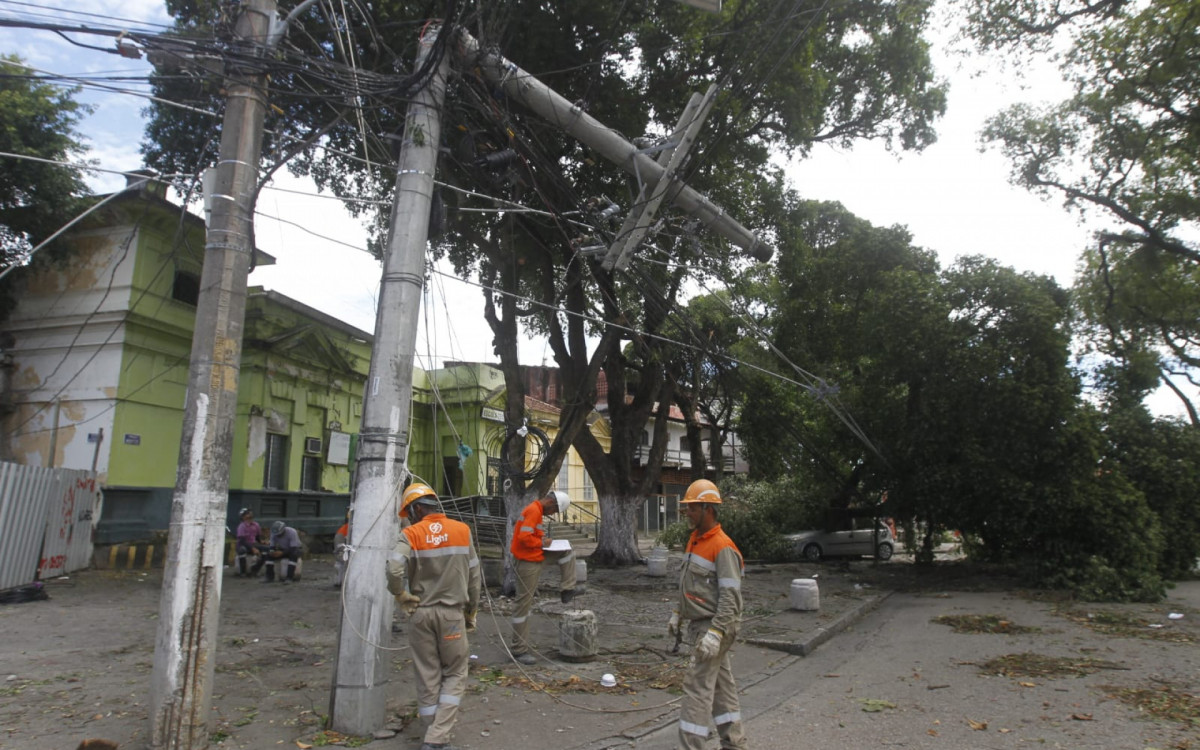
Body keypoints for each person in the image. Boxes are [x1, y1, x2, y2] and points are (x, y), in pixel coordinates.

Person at [386, 482, 481, 750]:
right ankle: (437, 737)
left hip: (420, 613)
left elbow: (393, 570)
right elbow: (474, 576)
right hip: (452, 615)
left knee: (427, 674)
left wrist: (400, 595)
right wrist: (471, 611)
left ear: (416, 509)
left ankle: (433, 733)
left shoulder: (411, 533)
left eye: (409, 512)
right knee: (455, 672)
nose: (410, 517)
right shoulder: (462, 531)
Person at [667, 479, 747, 750]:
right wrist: (678, 612)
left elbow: (730, 598)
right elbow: (689, 584)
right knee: (721, 687)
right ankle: (734, 743)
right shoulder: (695, 540)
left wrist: (716, 633)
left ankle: (692, 745)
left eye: (691, 507)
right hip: (703, 625)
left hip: (713, 626)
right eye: (687, 507)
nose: (686, 512)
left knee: (697, 688)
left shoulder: (723, 547)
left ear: (707, 509)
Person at [508, 490, 577, 665]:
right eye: (554, 511)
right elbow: (524, 538)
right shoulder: (534, 510)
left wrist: (543, 539)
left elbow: (531, 533)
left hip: (535, 555)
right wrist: (541, 543)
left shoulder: (537, 510)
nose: (552, 514)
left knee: (567, 551)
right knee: (523, 605)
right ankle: (518, 649)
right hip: (527, 561)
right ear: (552, 504)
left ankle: (568, 588)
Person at [234, 508, 265, 577]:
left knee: (266, 551)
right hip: (242, 545)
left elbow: (257, 537)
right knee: (242, 550)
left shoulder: (256, 525)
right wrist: (252, 548)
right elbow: (242, 540)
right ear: (243, 517)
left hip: (253, 544)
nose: (250, 514)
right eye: (247, 514)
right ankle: (243, 572)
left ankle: (255, 570)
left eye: (249, 513)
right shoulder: (241, 526)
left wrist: (262, 542)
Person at [332, 511, 350, 589]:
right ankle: (339, 582)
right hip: (342, 540)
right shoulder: (347, 528)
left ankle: (339, 582)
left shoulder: (346, 527)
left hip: (342, 539)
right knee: (341, 561)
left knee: (340, 562)